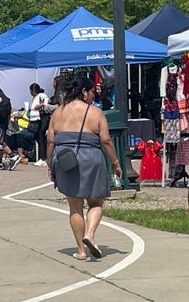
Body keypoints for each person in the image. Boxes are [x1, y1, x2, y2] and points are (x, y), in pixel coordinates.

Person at [46, 75, 121, 261]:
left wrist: (50, 163)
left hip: (65, 160)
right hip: (92, 158)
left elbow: (50, 140)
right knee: (96, 202)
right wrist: (115, 163)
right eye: (91, 92)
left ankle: (80, 250)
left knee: (75, 207)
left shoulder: (58, 112)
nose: (93, 96)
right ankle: (91, 234)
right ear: (84, 92)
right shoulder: (95, 113)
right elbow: (105, 140)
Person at [30, 83, 56, 166]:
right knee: (38, 138)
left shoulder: (42, 95)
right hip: (35, 119)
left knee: (41, 138)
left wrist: (38, 106)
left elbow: (46, 103)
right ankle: (43, 157)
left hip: (40, 119)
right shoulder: (35, 97)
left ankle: (43, 158)